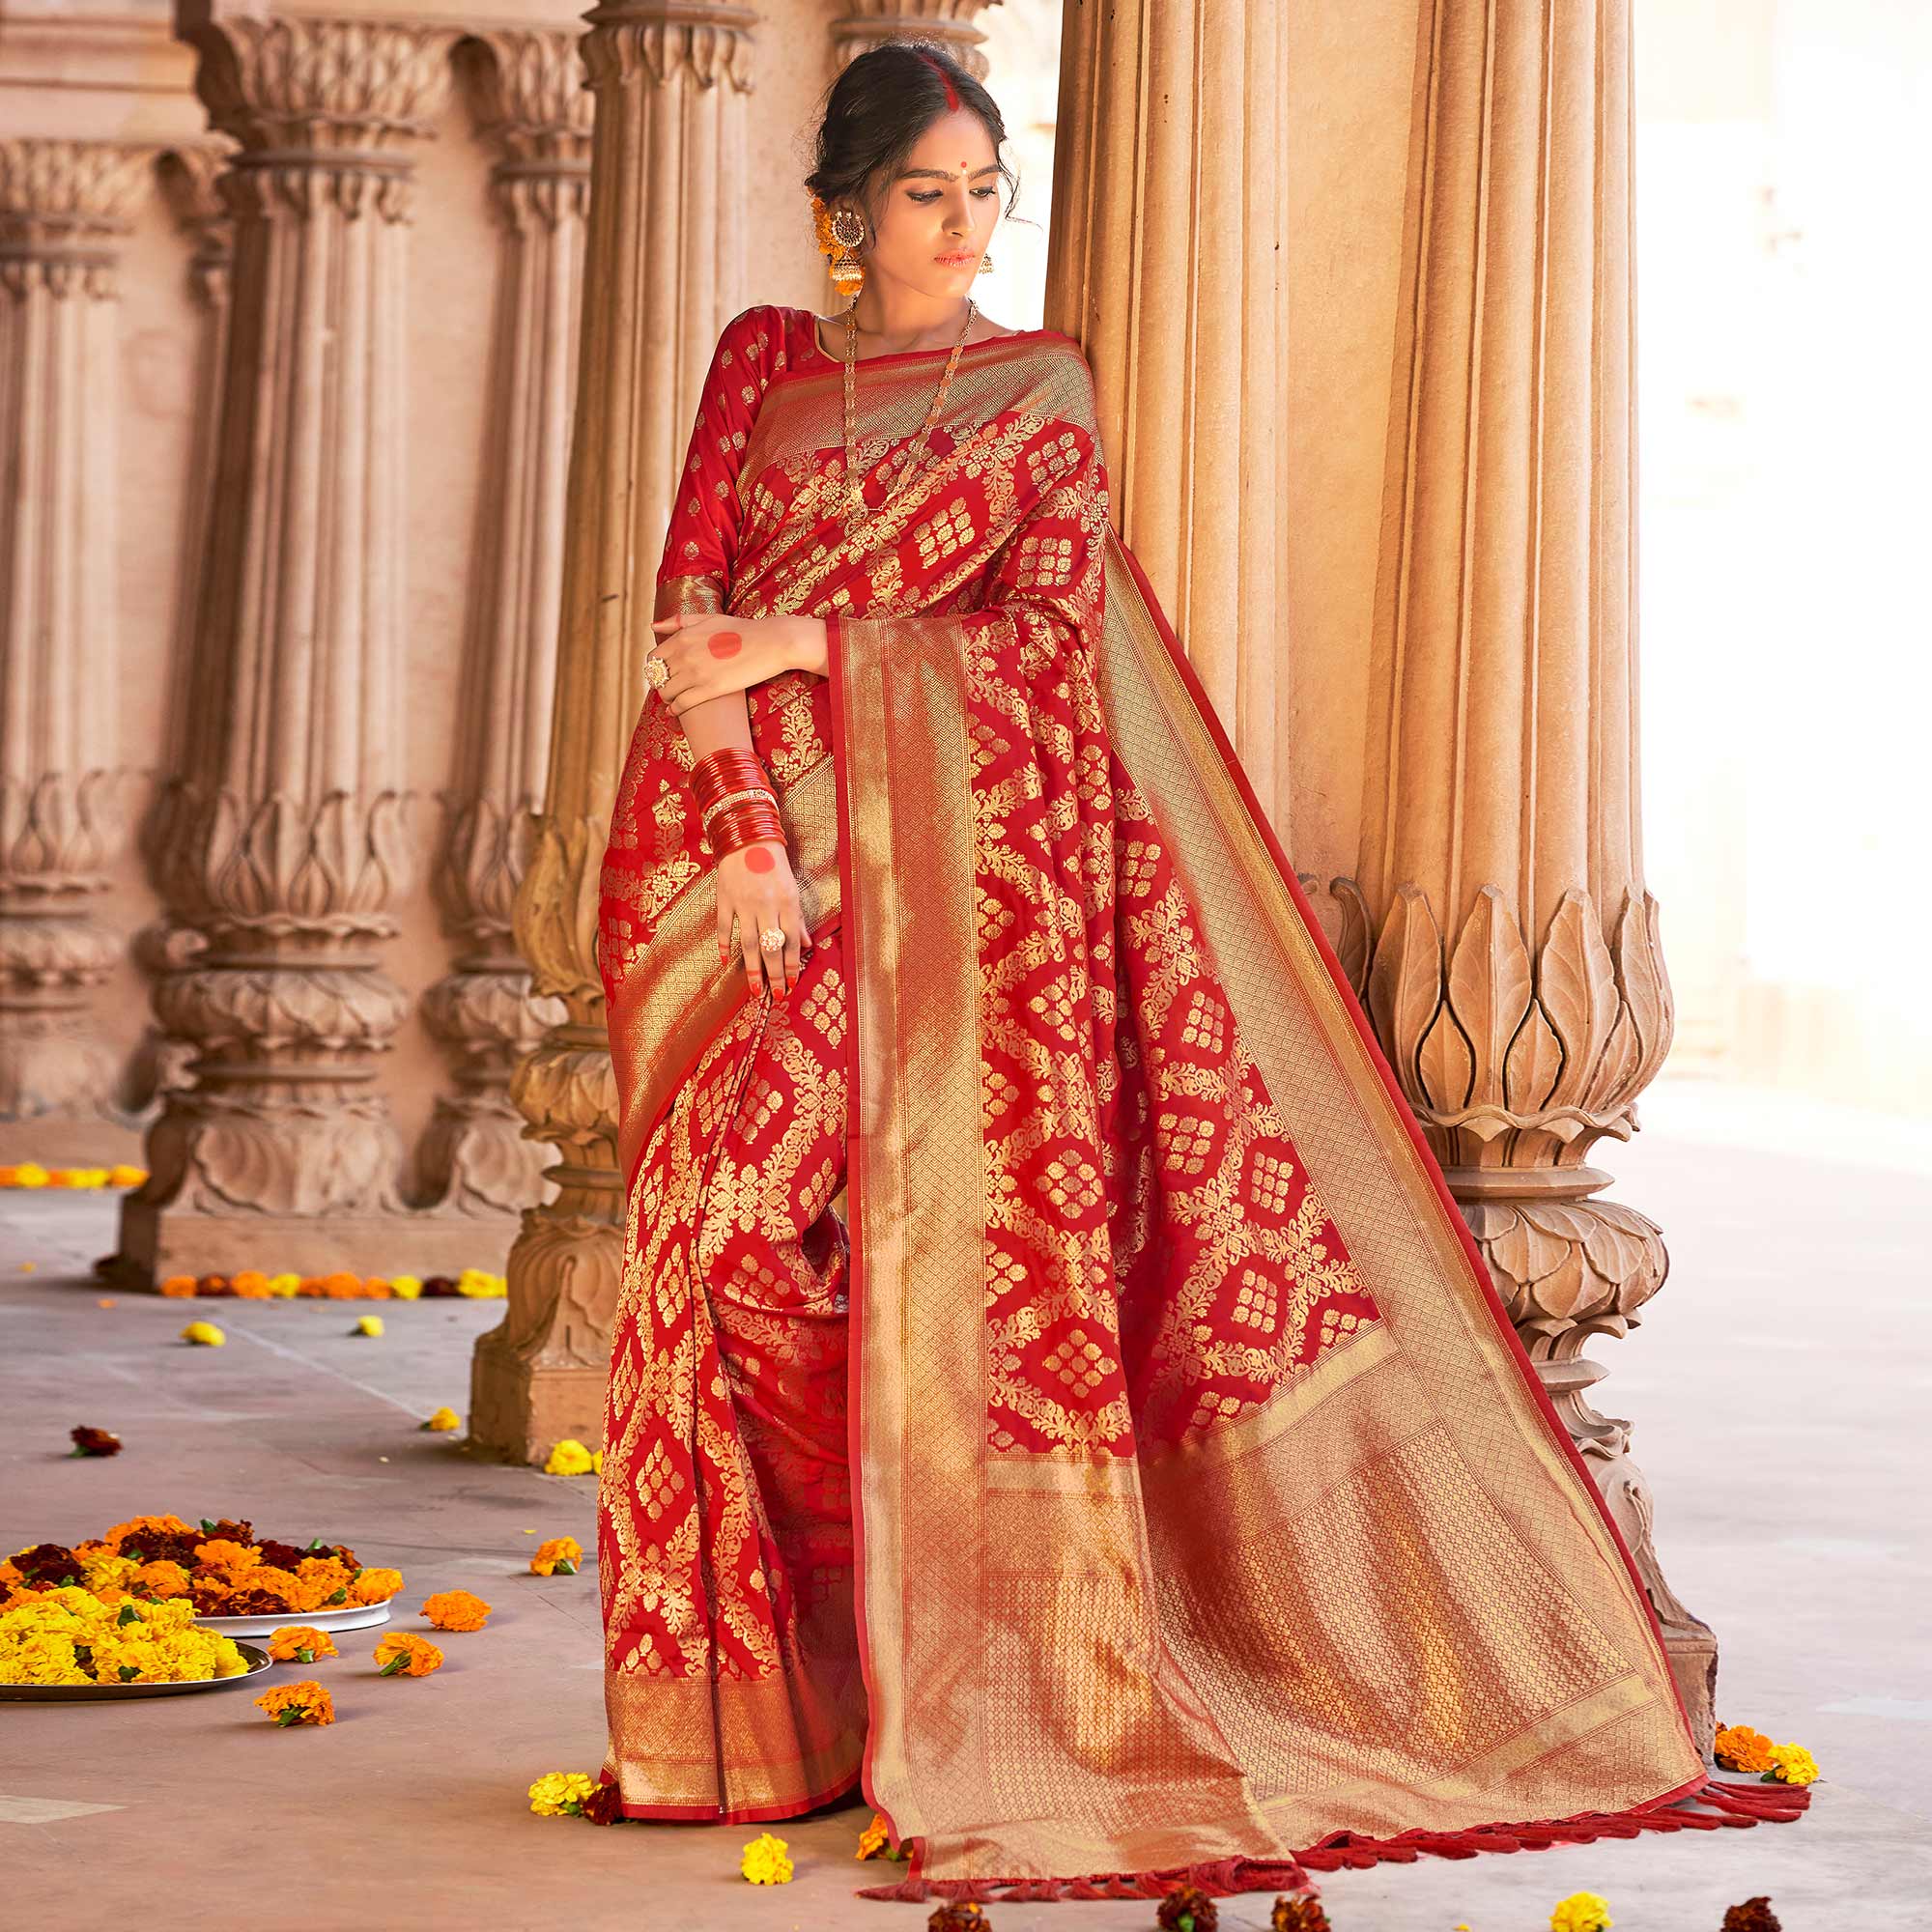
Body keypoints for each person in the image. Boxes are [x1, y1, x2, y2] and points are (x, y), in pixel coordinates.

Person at [591, 38, 1804, 1908]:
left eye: (985, 192)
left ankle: (964, 1670)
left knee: (816, 1247)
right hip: (737, 884)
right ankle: (781, 1707)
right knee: (707, 1253)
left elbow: (1052, 644)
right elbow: (687, 630)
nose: (961, 226)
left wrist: (812, 641)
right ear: (845, 209)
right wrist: (749, 826)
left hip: (940, 908)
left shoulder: (1033, 387)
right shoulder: (760, 363)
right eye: (926, 194)